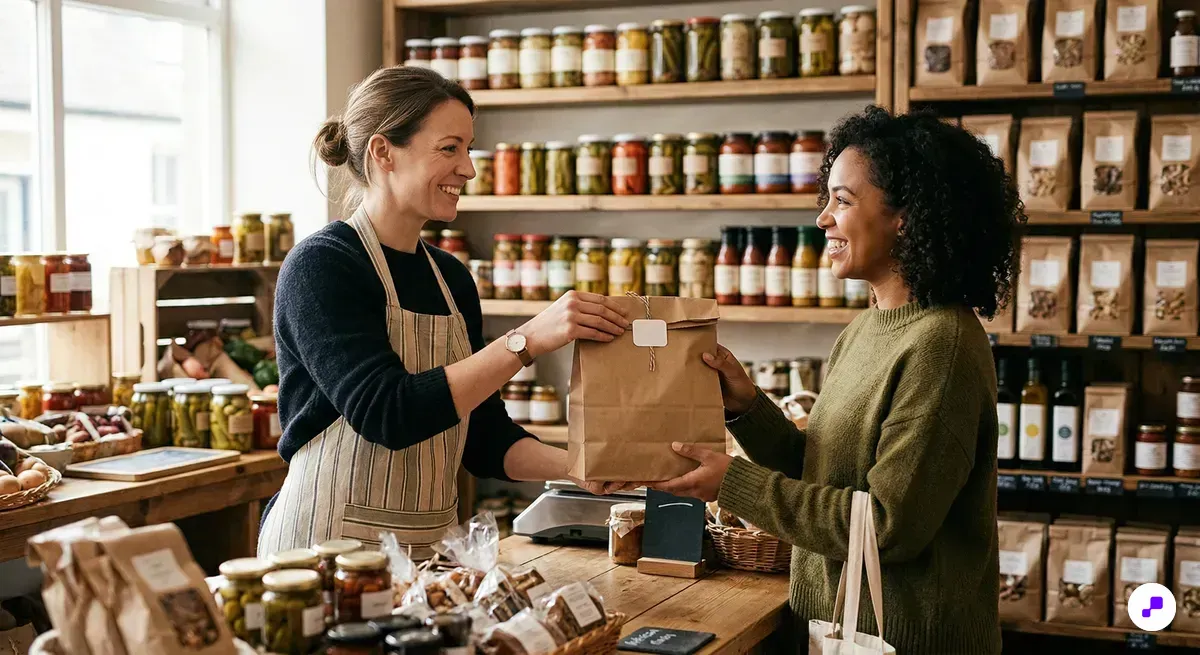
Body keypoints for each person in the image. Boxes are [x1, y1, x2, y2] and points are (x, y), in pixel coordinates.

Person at [653, 106, 1022, 653]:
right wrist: (749, 409)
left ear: (906, 217)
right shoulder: (864, 330)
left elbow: (887, 526)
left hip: (909, 639)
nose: (823, 219)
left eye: (842, 201)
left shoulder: (940, 344)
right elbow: (831, 473)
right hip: (843, 629)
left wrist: (733, 483)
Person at [257, 67, 631, 558]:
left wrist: (582, 466)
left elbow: (483, 439)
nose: (469, 169)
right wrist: (526, 341)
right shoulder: (322, 265)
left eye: (468, 149)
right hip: (325, 553)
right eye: (450, 148)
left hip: (429, 554)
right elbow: (388, 412)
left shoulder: (451, 278)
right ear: (383, 152)